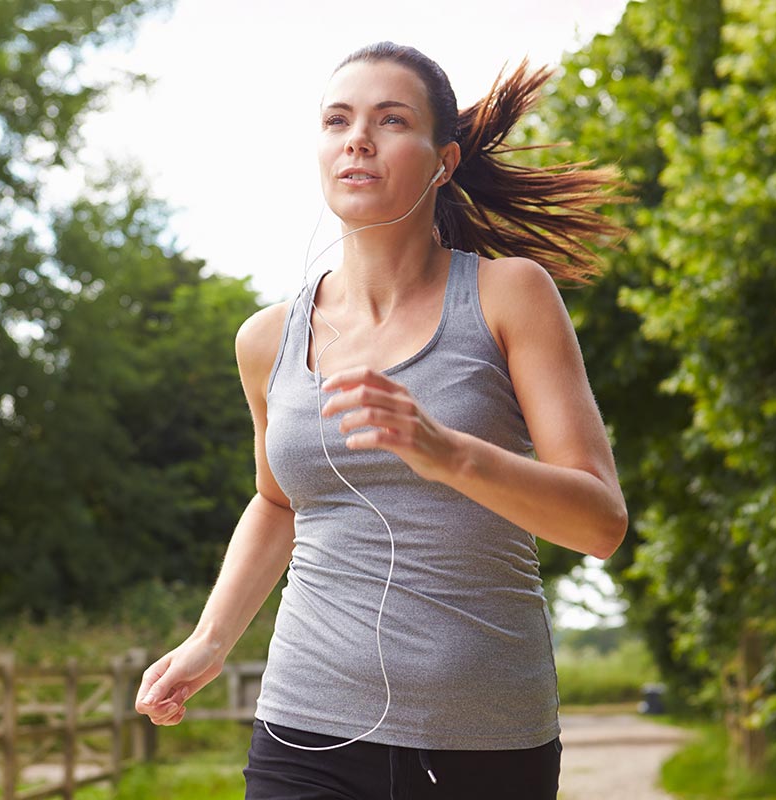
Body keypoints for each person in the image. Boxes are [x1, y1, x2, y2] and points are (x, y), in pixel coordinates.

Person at [135, 41, 628, 800]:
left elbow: (599, 523)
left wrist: (449, 454)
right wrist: (209, 640)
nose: (357, 137)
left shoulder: (508, 296)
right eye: (338, 120)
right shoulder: (267, 339)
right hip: (305, 728)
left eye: (390, 120)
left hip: (485, 739)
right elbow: (277, 503)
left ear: (444, 160)